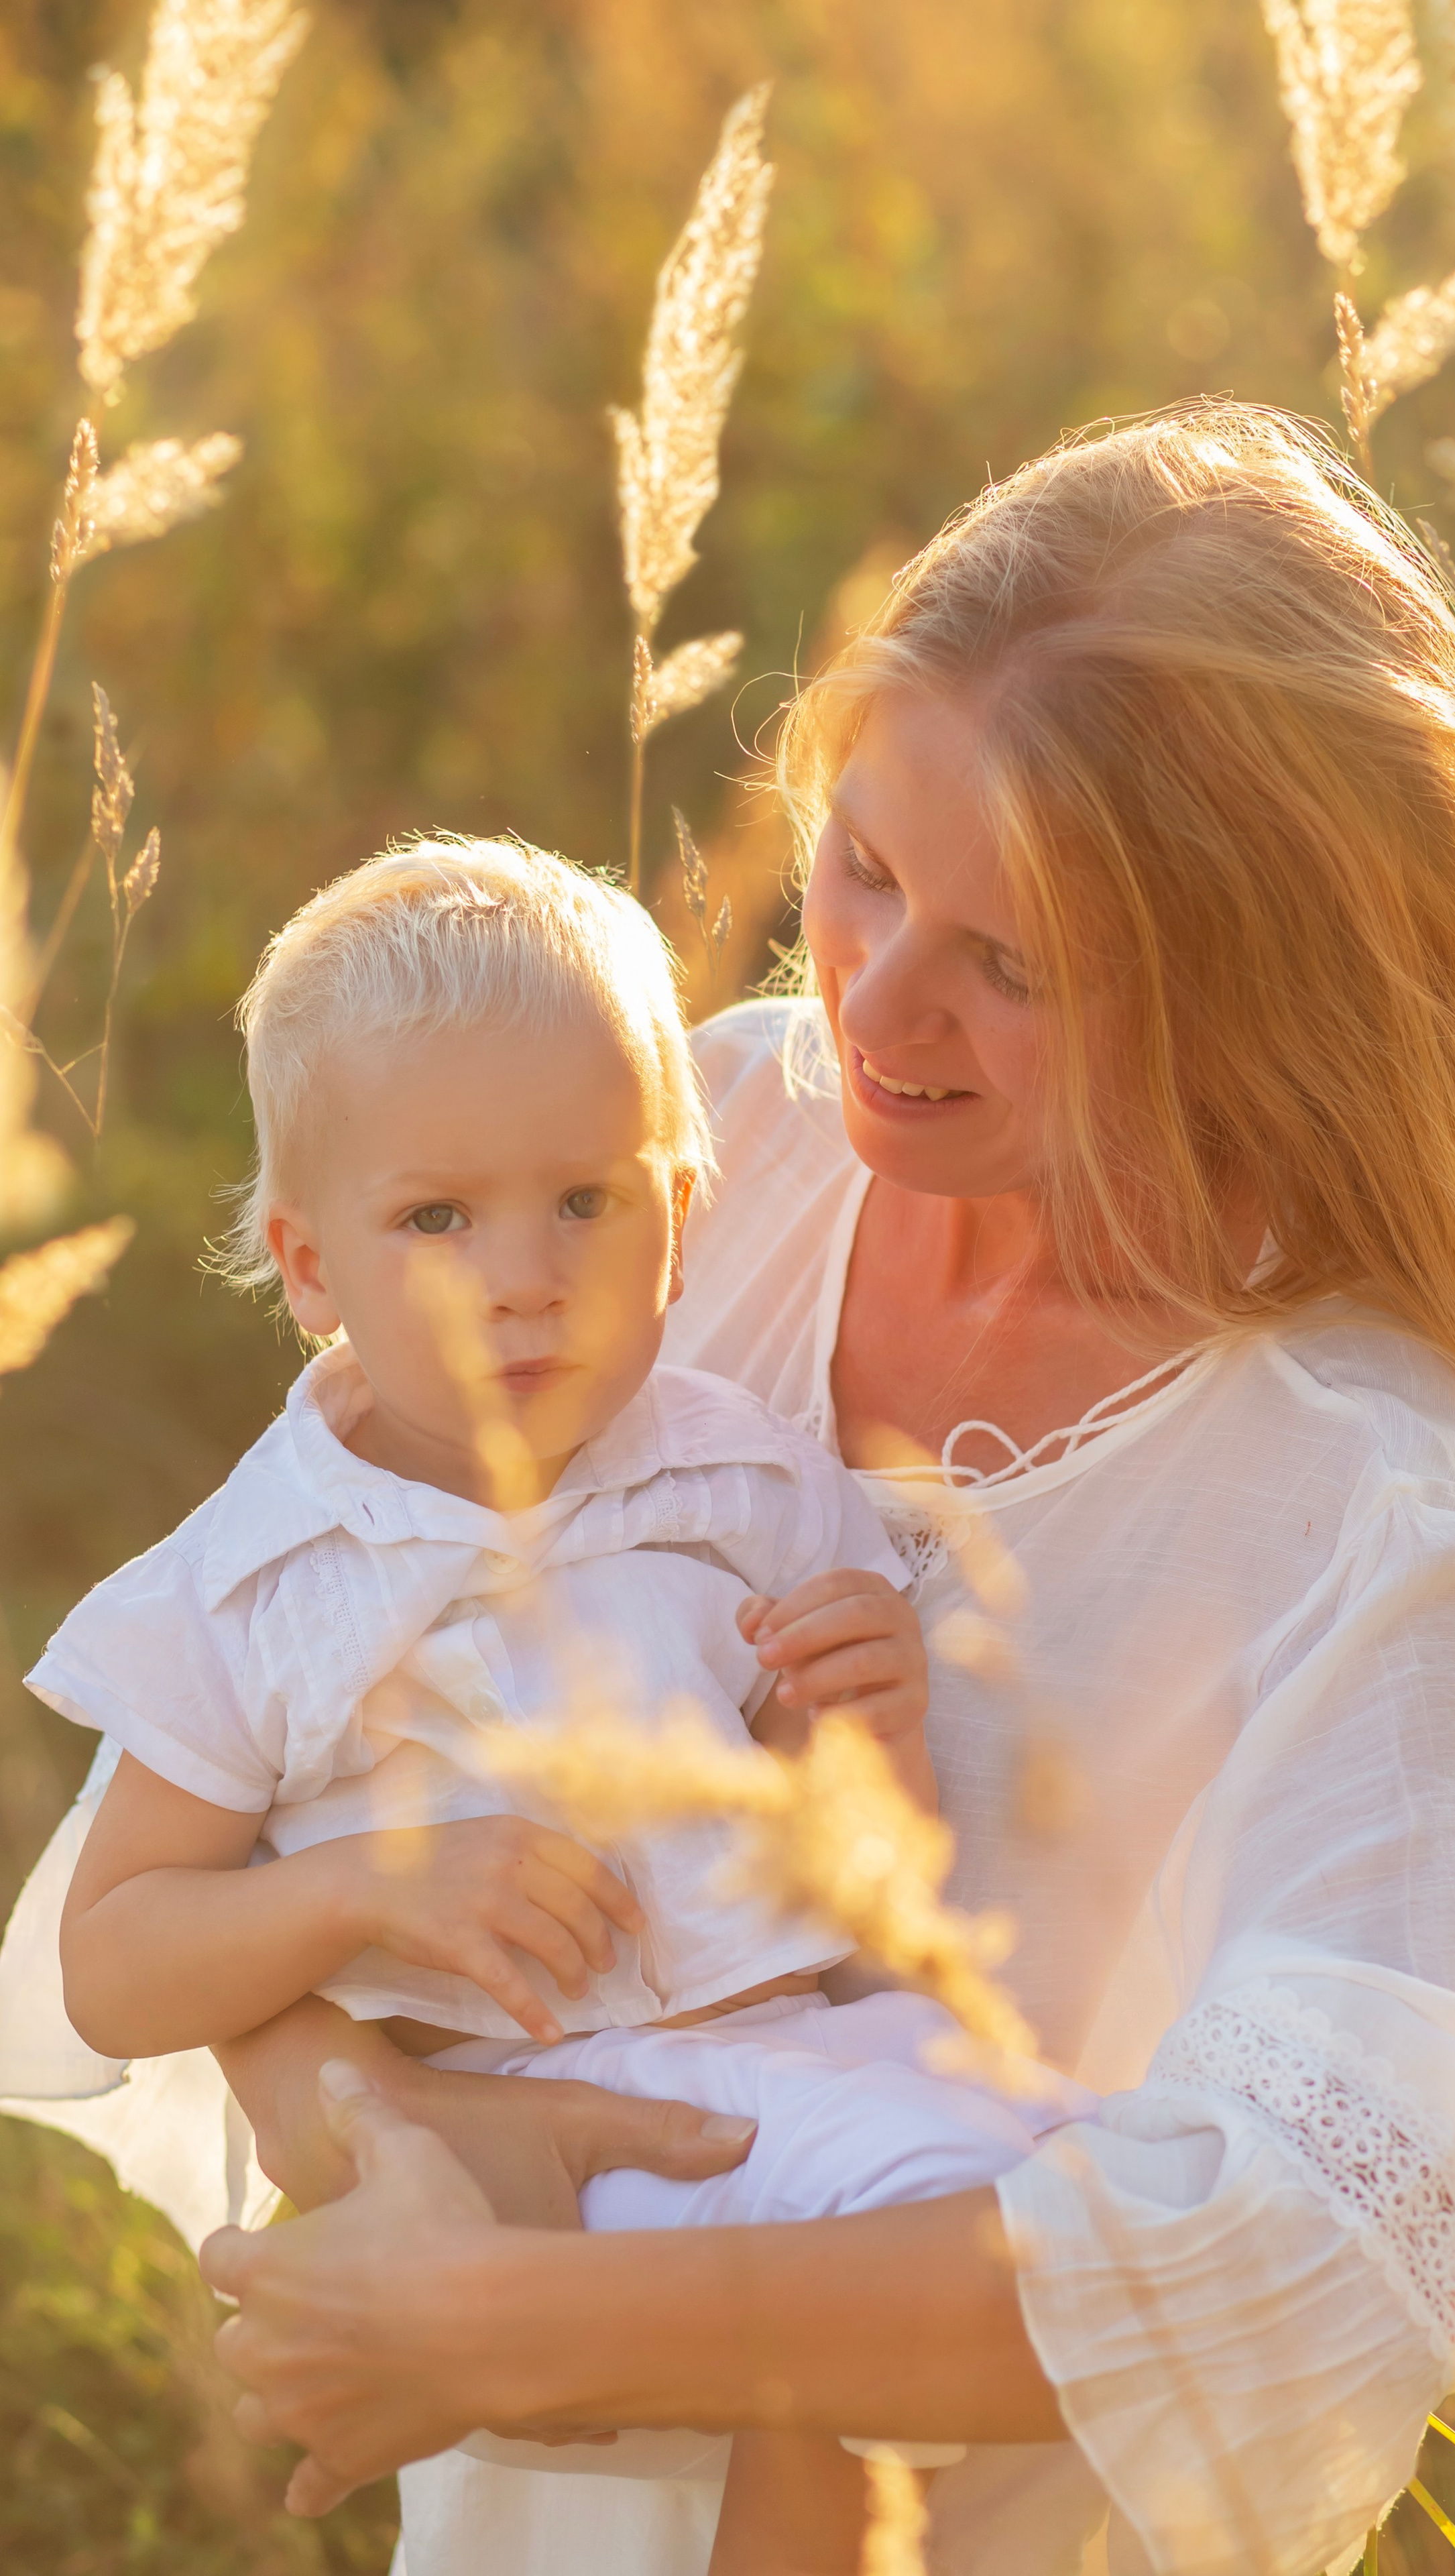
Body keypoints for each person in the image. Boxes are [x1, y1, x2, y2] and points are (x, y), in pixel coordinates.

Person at [200, 403, 1455, 2576]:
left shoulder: (1364, 1495)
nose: (880, 1008)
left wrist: (523, 2315)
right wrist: (392, 2142)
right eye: (867, 868)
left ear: (1249, 999)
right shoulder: (691, 1165)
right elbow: (264, 1714)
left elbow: (1307, 2236)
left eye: (1019, 962)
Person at [23, 840, 1097, 2576]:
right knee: (560, 2516)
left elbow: (849, 1876)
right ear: (310, 1265)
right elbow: (111, 1956)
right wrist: (369, 1885)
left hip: (778, 2057)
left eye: (585, 1202)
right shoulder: (254, 1582)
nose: (521, 1274)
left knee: (1034, 2219)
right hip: (494, 2132)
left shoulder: (744, 1485)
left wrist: (869, 1727)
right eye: (437, 1218)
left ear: (680, 1218)